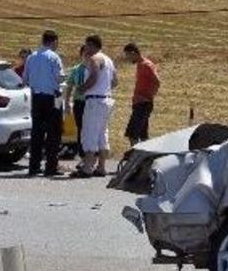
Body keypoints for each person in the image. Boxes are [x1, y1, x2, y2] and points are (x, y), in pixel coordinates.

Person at [22, 30, 63, 176]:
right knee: (53, 133)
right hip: (52, 97)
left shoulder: (31, 57)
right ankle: (51, 167)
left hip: (36, 97)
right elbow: (58, 78)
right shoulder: (54, 57)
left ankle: (34, 166)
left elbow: (25, 78)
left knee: (37, 132)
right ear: (54, 41)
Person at [77, 34, 118, 177]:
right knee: (102, 134)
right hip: (106, 100)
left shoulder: (95, 59)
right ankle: (101, 167)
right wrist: (104, 88)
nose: (85, 48)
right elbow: (115, 82)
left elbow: (93, 77)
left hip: (95, 100)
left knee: (90, 132)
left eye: (87, 45)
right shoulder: (109, 60)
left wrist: (82, 88)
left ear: (92, 45)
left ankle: (88, 167)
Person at [122, 42, 160, 145]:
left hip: (143, 103)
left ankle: (136, 158)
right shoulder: (140, 65)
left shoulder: (146, 65)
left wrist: (149, 96)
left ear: (133, 53)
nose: (127, 58)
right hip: (140, 103)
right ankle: (146, 157)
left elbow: (157, 81)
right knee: (143, 135)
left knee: (132, 134)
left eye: (128, 55)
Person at [63, 44, 89, 158]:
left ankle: (90, 153)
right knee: (80, 128)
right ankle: (82, 154)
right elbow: (69, 87)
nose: (87, 56)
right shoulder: (76, 69)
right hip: (79, 102)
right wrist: (67, 102)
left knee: (89, 128)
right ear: (81, 55)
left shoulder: (94, 69)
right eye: (85, 53)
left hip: (90, 102)